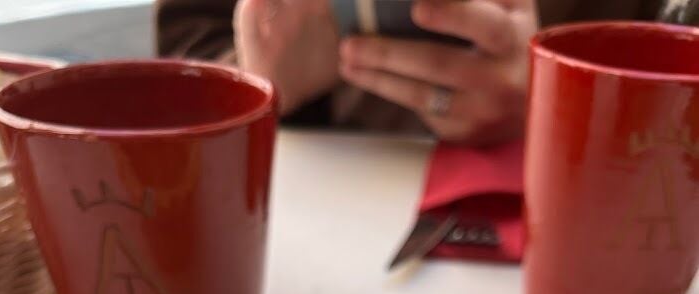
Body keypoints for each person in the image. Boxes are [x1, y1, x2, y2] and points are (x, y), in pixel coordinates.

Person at [157, 0, 666, 142]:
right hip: (314, 203)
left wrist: (562, 100)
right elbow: (183, 43)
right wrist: (253, 80)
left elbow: (670, 49)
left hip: (564, 229)